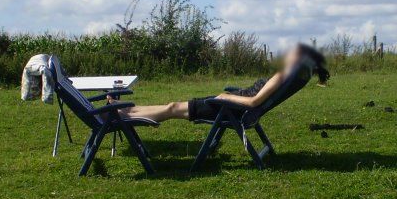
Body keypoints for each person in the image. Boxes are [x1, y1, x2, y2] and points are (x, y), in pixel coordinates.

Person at [117, 43, 329, 123]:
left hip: (232, 109)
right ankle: (129, 111)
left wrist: (225, 97)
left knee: (173, 108)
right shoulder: (292, 76)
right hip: (232, 106)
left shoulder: (281, 77)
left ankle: (123, 115)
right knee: (173, 105)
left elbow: (254, 102)